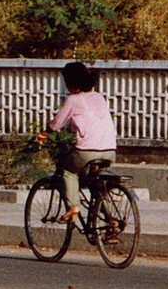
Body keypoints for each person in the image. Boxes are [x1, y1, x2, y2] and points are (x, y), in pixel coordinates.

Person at [36, 61, 117, 224]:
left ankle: (73, 207)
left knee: (69, 171)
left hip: (87, 151)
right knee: (94, 181)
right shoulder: (99, 97)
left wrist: (43, 134)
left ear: (71, 83)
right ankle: (110, 219)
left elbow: (57, 123)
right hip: (110, 150)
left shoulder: (73, 99)